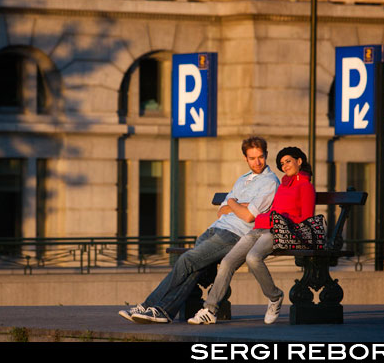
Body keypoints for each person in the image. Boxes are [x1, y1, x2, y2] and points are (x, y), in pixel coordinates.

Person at [119, 136, 280, 324]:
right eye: (252, 158)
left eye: (260, 157)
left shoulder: (270, 182)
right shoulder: (242, 179)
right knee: (194, 267)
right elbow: (221, 211)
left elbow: (248, 216)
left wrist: (233, 203)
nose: (257, 162)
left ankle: (150, 305)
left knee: (187, 259)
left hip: (234, 235)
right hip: (215, 229)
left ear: (266, 155)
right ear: (245, 158)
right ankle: (161, 311)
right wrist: (237, 204)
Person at [188, 146, 315, 325]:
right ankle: (210, 310)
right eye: (282, 163)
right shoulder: (282, 185)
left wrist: (282, 220)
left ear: (299, 161)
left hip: (281, 231)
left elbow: (306, 220)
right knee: (227, 262)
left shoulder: (306, 186)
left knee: (253, 258)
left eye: (288, 161)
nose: (285, 166)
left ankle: (275, 296)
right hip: (261, 227)